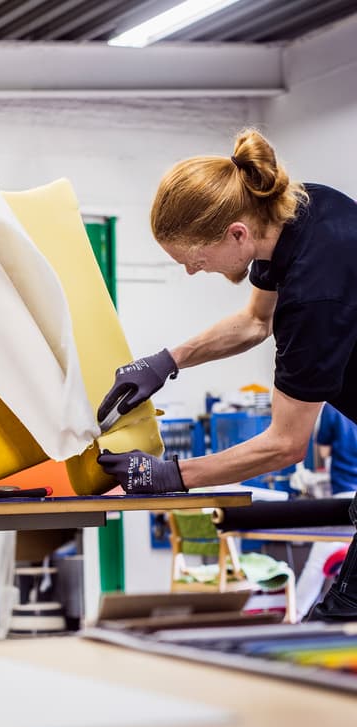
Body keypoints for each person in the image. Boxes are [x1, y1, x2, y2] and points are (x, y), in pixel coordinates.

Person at [96, 128, 357, 622]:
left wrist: (171, 476)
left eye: (195, 260)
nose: (194, 272)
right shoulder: (298, 212)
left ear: (236, 233)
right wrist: (166, 361)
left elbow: (284, 445)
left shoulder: (313, 297)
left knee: (337, 624)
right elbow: (255, 321)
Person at [295, 404, 357, 619]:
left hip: (344, 492)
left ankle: (294, 614)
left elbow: (323, 450)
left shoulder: (334, 407)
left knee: (317, 562)